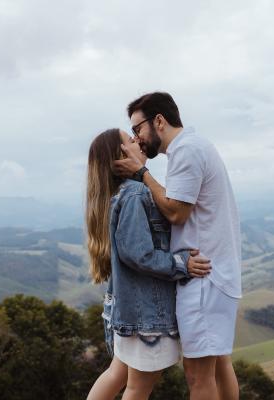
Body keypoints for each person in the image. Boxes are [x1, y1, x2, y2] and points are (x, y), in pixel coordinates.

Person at [114, 92, 242, 400]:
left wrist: (141, 174)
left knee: (198, 377)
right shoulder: (196, 147)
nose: (137, 139)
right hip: (214, 273)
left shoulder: (186, 151)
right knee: (219, 365)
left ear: (158, 120)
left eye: (137, 129)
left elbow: (176, 211)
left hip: (202, 277)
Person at [85, 128, 212, 400]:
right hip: (146, 316)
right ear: (120, 156)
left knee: (117, 374)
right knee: (137, 388)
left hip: (131, 309)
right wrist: (182, 264)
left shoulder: (124, 193)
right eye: (130, 140)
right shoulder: (135, 195)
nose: (138, 141)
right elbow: (138, 254)